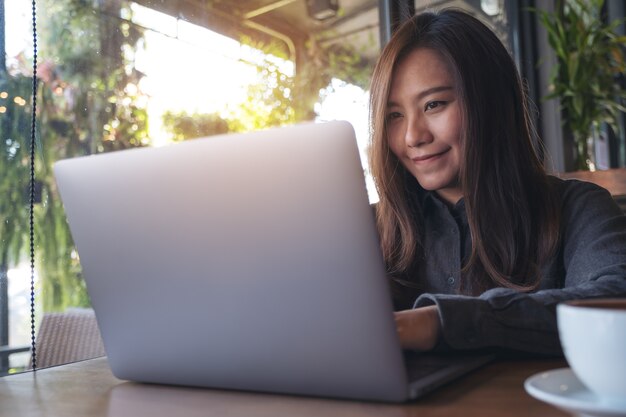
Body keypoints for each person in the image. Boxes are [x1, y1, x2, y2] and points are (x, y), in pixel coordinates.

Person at [368, 8, 626, 355]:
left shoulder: (577, 208)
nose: (412, 136)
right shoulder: (369, 230)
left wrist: (442, 321)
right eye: (394, 116)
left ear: (491, 102)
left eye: (434, 104)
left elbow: (615, 296)